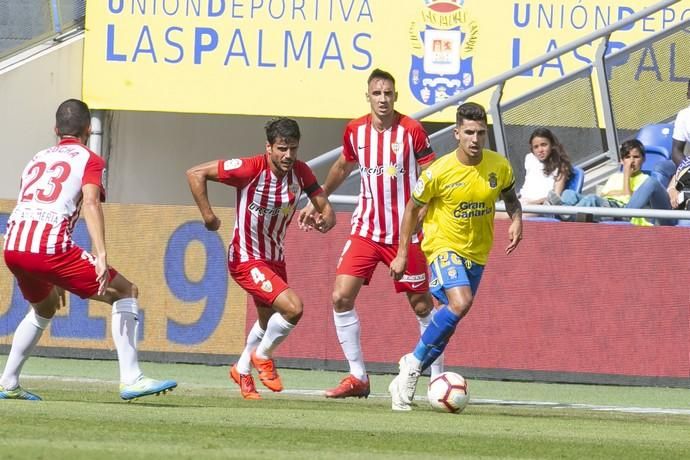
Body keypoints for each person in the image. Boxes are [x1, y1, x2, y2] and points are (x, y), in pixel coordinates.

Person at [0, 99, 177, 401]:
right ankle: (132, 378)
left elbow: (34, 205)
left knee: (43, 308)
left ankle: (8, 382)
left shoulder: (37, 158)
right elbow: (91, 202)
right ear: (88, 128)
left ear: (55, 129)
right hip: (48, 246)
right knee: (125, 291)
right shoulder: (89, 158)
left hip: (13, 244)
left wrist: (55, 275)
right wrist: (101, 254)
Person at [298, 68, 442, 399]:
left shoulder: (412, 131)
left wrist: (421, 216)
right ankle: (358, 377)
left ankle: (437, 378)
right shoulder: (355, 131)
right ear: (368, 96)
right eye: (377, 93)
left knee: (422, 306)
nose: (382, 99)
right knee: (340, 297)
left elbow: (431, 175)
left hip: (405, 233)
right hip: (366, 230)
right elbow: (341, 167)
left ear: (395, 97)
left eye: (388, 93)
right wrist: (318, 199)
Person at [186, 117, 335, 400]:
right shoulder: (250, 168)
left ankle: (242, 369)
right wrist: (207, 215)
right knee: (293, 308)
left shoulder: (301, 172)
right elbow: (195, 173)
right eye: (282, 148)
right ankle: (262, 356)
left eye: (293, 148)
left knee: (268, 321)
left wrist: (324, 219)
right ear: (268, 148)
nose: (288, 155)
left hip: (275, 258)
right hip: (246, 258)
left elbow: (324, 208)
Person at [388, 102, 523, 411]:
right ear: (456, 133)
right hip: (442, 245)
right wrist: (402, 254)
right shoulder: (439, 171)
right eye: (469, 133)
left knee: (449, 323)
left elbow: (511, 199)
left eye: (481, 133)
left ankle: (407, 372)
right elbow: (411, 209)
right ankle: (412, 366)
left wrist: (516, 220)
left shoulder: (499, 166)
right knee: (461, 302)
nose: (475, 139)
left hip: (477, 253)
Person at [551, 139, 675, 226]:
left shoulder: (644, 180)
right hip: (607, 205)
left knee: (591, 199)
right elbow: (604, 197)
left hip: (621, 210)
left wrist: (626, 176)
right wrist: (618, 191)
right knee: (568, 193)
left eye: (636, 157)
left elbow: (628, 199)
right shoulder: (615, 177)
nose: (631, 161)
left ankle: (566, 214)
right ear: (622, 161)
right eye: (627, 157)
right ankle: (564, 210)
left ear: (643, 159)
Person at [519, 128, 572, 205]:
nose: (540, 150)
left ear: (552, 145)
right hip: (522, 201)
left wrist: (532, 203)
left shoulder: (560, 165)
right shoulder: (530, 158)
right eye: (536, 147)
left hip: (541, 206)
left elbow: (555, 197)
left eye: (544, 145)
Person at [671, 79, 690, 166]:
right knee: (661, 167)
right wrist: (687, 168)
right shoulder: (683, 115)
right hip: (688, 164)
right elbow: (676, 151)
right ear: (688, 94)